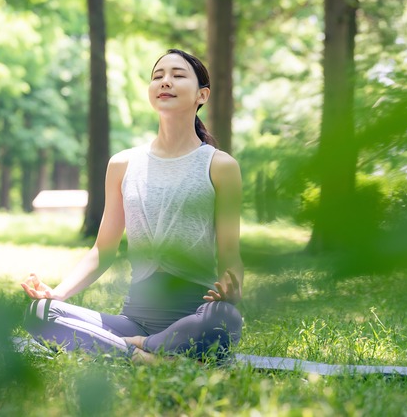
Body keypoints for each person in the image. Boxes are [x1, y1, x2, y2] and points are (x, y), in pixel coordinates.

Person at [21, 49, 243, 362]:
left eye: (178, 75)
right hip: (133, 320)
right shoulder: (123, 164)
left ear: (201, 95)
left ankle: (134, 346)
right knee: (40, 312)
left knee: (225, 321)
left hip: (194, 317)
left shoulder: (221, 166)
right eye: (158, 76)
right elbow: (102, 251)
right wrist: (57, 293)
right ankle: (144, 355)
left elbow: (231, 255)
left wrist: (232, 289)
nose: (165, 81)